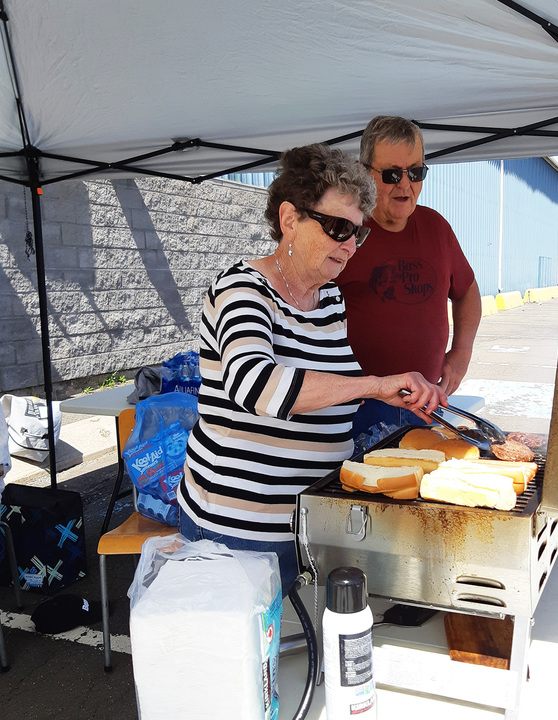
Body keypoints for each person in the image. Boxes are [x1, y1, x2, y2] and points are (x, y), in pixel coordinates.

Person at [177, 143, 447, 592]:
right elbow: (257, 386)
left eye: (357, 234)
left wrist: (394, 394)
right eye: (338, 227)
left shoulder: (330, 300)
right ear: (289, 219)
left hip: (312, 520)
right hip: (239, 530)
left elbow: (329, 386)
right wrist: (373, 385)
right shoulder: (242, 290)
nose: (349, 246)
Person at [336, 116, 482, 447]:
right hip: (357, 408)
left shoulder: (436, 227)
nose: (405, 185)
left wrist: (461, 353)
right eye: (392, 174)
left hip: (424, 403)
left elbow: (467, 290)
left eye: (415, 172)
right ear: (365, 172)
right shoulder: (345, 231)